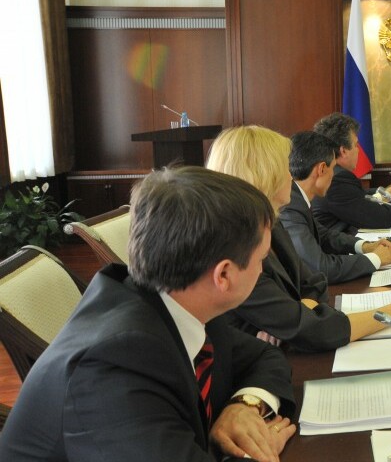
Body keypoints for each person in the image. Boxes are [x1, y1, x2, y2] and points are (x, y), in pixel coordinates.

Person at [0, 167, 296, 461]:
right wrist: (253, 451)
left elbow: (265, 356)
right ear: (224, 275)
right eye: (261, 258)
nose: (262, 270)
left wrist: (245, 406)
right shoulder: (114, 366)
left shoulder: (183, 300)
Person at [206, 126, 391, 352]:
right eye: (285, 168)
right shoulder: (236, 252)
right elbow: (315, 329)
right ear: (265, 177)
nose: (292, 176)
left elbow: (314, 281)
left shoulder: (271, 222)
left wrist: (299, 312)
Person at [280, 131, 391, 284]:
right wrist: (376, 258)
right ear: (321, 169)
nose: (334, 175)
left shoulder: (297, 197)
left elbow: (325, 236)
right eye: (333, 168)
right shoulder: (289, 207)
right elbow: (320, 268)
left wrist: (365, 246)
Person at [311, 112, 391, 234]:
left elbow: (355, 196)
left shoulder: (330, 172)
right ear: (343, 151)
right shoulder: (337, 178)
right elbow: (379, 218)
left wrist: (383, 194)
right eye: (356, 145)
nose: (358, 150)